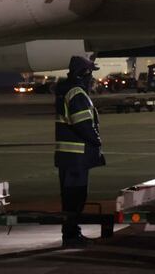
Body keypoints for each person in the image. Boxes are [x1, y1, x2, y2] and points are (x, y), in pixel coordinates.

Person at [54, 55, 104, 248]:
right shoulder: (77, 93)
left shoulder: (68, 91)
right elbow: (83, 124)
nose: (92, 77)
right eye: (90, 72)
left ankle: (72, 234)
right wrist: (96, 140)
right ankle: (71, 236)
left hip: (69, 156)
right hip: (76, 157)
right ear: (84, 73)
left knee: (70, 199)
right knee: (75, 199)